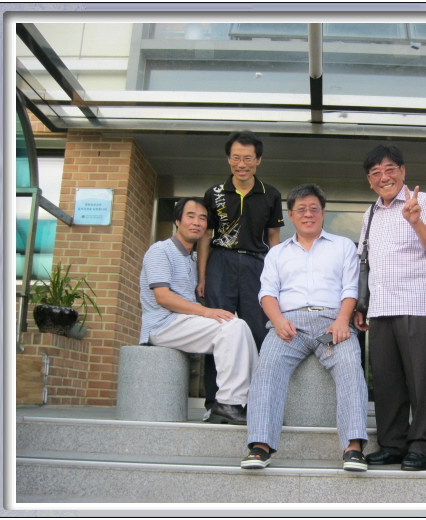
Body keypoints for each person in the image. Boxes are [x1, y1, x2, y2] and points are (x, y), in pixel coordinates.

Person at [240, 184, 369, 472]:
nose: (307, 214)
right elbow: (267, 293)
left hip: (331, 326)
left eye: (313, 209)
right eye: (301, 209)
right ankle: (260, 446)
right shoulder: (277, 253)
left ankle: (353, 447)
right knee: (268, 367)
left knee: (350, 365)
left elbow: (350, 288)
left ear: (323, 213)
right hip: (289, 327)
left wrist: (342, 320)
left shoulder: (342, 246)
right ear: (290, 215)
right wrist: (277, 321)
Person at [353, 145, 426, 471]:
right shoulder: (370, 213)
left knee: (420, 381)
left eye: (390, 169)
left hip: (415, 304)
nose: (384, 177)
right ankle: (392, 445)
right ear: (369, 181)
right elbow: (366, 262)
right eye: (375, 173)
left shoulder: (424, 202)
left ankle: (422, 447)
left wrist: (416, 221)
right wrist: (362, 304)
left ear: (403, 171)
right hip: (380, 308)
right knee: (386, 382)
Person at [139, 197, 259, 425]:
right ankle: (227, 404)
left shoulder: (194, 258)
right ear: (177, 221)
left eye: (203, 218)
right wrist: (206, 312)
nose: (197, 222)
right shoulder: (160, 250)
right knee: (231, 327)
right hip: (162, 324)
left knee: (240, 326)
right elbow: (162, 296)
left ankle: (253, 401)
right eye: (191, 216)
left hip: (183, 322)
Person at [197, 130, 284, 418]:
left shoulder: (271, 194)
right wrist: (203, 277)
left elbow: (274, 238)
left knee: (258, 332)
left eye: (248, 158)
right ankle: (214, 402)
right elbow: (206, 237)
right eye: (236, 158)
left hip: (256, 266)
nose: (241, 164)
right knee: (218, 330)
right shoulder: (214, 194)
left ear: (258, 160)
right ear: (228, 159)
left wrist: (276, 279)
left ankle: (255, 402)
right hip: (220, 263)